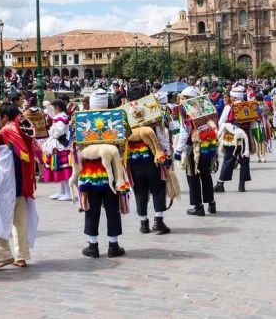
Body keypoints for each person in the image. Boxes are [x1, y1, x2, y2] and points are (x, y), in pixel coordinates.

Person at [0, 103, 39, 269]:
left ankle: (3, 256)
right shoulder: (23, 129)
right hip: (23, 183)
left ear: (5, 117)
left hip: (7, 184)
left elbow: (2, 162)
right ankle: (21, 257)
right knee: (20, 221)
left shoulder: (4, 133)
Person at [76, 89, 127, 258]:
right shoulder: (118, 117)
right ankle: (113, 245)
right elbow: (125, 139)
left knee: (92, 208)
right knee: (113, 208)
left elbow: (74, 146)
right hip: (111, 171)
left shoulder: (79, 119)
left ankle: (93, 245)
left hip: (90, 173)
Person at [126, 88, 171, 235]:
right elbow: (161, 135)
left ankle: (143, 223)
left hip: (133, 159)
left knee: (139, 190)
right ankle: (158, 221)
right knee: (158, 188)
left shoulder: (123, 115)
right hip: (152, 157)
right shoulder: (153, 112)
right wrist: (166, 153)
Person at [173, 86, 218, 216]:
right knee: (206, 174)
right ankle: (211, 203)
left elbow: (184, 131)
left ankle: (198, 206)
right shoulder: (206, 105)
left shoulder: (187, 109)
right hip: (208, 143)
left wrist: (178, 150)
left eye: (183, 97)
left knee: (192, 175)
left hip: (194, 146)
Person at [214, 85, 253, 193]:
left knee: (228, 159)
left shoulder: (229, 107)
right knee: (244, 160)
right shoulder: (249, 106)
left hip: (231, 137)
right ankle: (241, 185)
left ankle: (220, 184)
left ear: (234, 97)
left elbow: (221, 122)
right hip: (245, 136)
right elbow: (253, 123)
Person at [41, 99, 73, 201]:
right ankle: (62, 192)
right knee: (57, 168)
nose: (53, 110)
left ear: (58, 108)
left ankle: (67, 193)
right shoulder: (60, 116)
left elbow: (59, 131)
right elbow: (51, 115)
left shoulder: (61, 118)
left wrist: (53, 134)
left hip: (60, 145)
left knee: (62, 169)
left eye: (54, 108)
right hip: (57, 144)